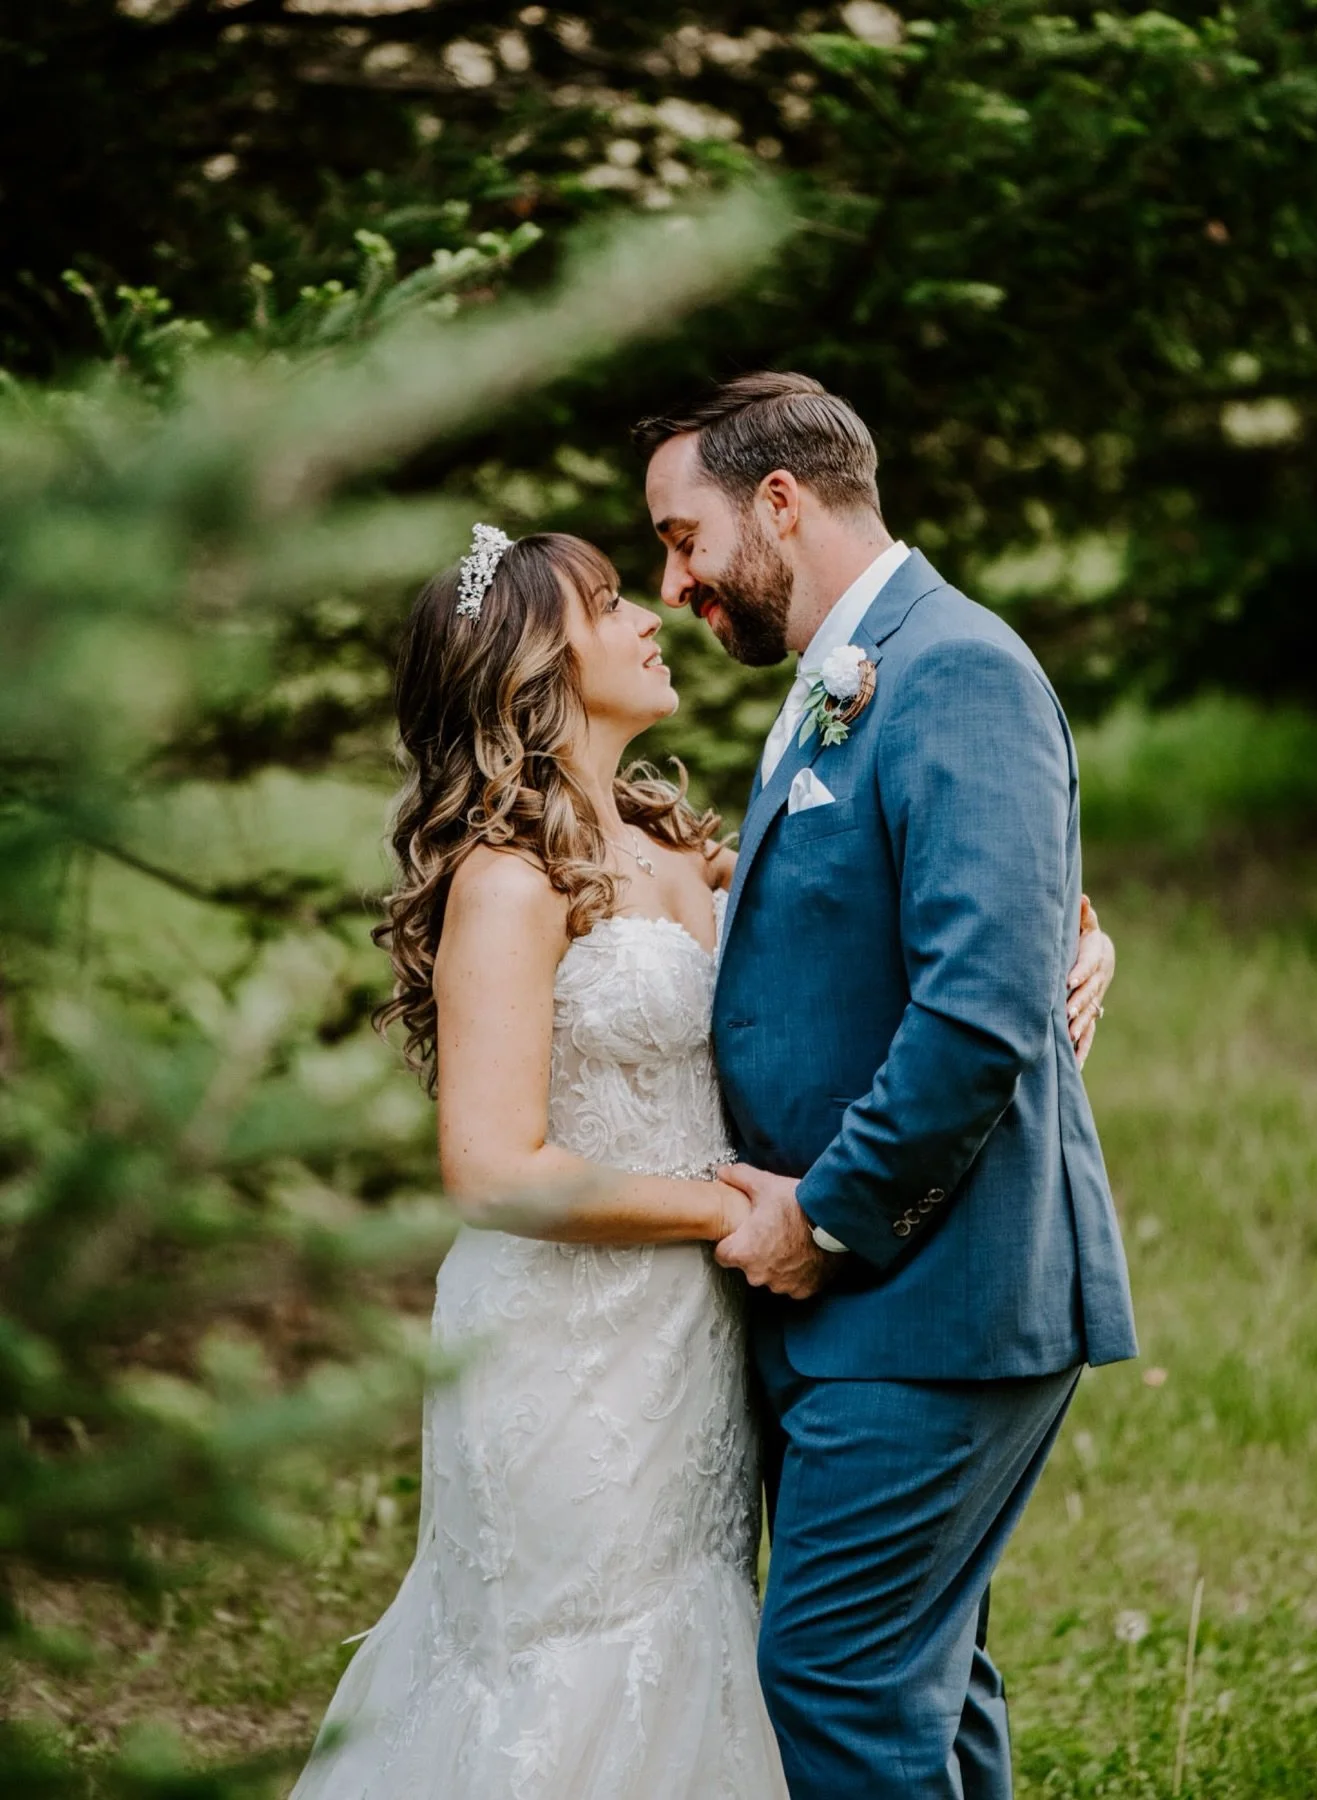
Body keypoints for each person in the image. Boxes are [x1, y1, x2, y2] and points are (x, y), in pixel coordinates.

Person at [289, 509, 1117, 1797]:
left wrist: (1069, 938)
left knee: (702, 1646)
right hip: (569, 1344)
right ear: (536, 669)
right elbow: (491, 1168)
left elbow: (869, 933)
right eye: (611, 604)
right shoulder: (507, 882)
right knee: (570, 1666)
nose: (650, 616)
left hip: (696, 1340)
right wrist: (729, 1213)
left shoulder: (674, 844)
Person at [636, 371, 1137, 1800]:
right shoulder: (857, 666)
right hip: (868, 1310)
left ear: (779, 503)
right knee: (922, 1682)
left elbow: (980, 1013)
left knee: (838, 1683)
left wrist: (826, 1217)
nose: (677, 585)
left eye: (685, 539)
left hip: (932, 1297)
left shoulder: (954, 667)